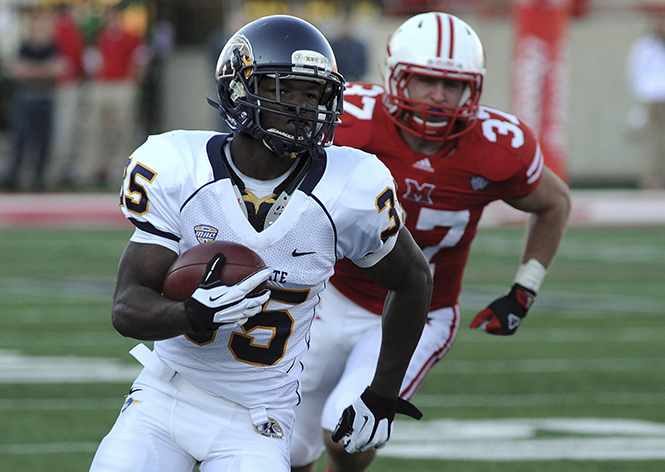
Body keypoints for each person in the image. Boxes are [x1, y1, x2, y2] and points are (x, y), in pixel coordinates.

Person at [88, 15, 432, 472]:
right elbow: (126, 308)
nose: (301, 105)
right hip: (164, 397)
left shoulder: (351, 186)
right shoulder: (177, 167)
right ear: (239, 88)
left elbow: (414, 280)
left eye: (311, 93)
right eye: (283, 89)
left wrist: (382, 394)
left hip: (258, 420)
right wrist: (191, 313)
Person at [290, 12, 571, 472]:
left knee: (349, 430)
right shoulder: (351, 122)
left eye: (452, 85)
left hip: (421, 312)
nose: (439, 96)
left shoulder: (498, 146)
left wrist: (524, 289)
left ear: (472, 90)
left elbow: (554, 202)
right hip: (331, 294)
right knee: (289, 444)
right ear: (397, 77)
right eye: (425, 81)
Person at [77, 4, 146, 188]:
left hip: (122, 85)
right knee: (95, 126)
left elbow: (139, 60)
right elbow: (93, 60)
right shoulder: (100, 36)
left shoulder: (131, 38)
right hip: (103, 84)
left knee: (123, 127)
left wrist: (132, 80)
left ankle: (119, 167)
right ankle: (93, 166)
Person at [1, 8, 63, 191]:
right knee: (20, 139)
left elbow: (58, 69)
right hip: (27, 98)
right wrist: (42, 70)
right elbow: (17, 70)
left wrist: (32, 70)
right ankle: (13, 178)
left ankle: (39, 179)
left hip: (45, 97)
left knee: (44, 141)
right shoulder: (25, 47)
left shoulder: (52, 47)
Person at [626, 12, 665, 189]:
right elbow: (635, 73)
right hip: (651, 98)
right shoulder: (644, 46)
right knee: (651, 141)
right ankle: (652, 178)